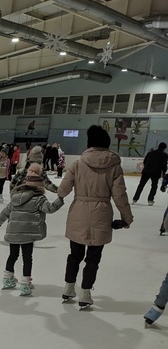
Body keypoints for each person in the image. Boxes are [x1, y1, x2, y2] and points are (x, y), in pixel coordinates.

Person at [57, 125, 133, 309]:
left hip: (79, 213)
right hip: (101, 214)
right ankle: (85, 293)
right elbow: (120, 195)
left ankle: (68, 288)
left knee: (74, 255)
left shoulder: (78, 163)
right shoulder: (114, 166)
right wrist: (126, 218)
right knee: (93, 258)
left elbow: (63, 189)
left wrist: (59, 196)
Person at [0, 163, 65, 295]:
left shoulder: (15, 197)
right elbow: (50, 209)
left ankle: (7, 279)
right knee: (27, 258)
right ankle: (24, 284)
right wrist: (60, 199)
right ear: (39, 185)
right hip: (28, 234)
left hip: (13, 233)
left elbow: (5, 212)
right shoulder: (39, 198)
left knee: (12, 255)